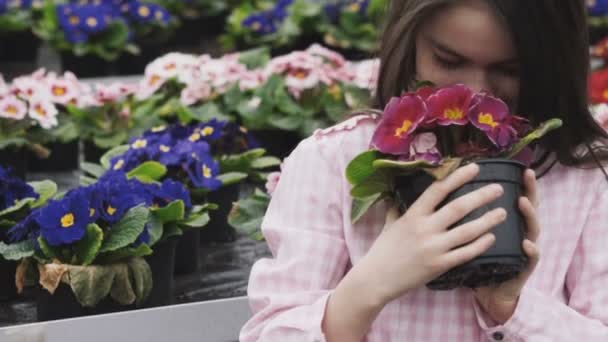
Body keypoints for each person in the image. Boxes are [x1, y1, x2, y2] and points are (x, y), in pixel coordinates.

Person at [240, 0, 608, 341]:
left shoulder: (587, 176)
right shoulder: (334, 161)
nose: (475, 93)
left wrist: (512, 307)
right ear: (409, 42)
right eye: (449, 60)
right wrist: (371, 284)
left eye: (510, 69)